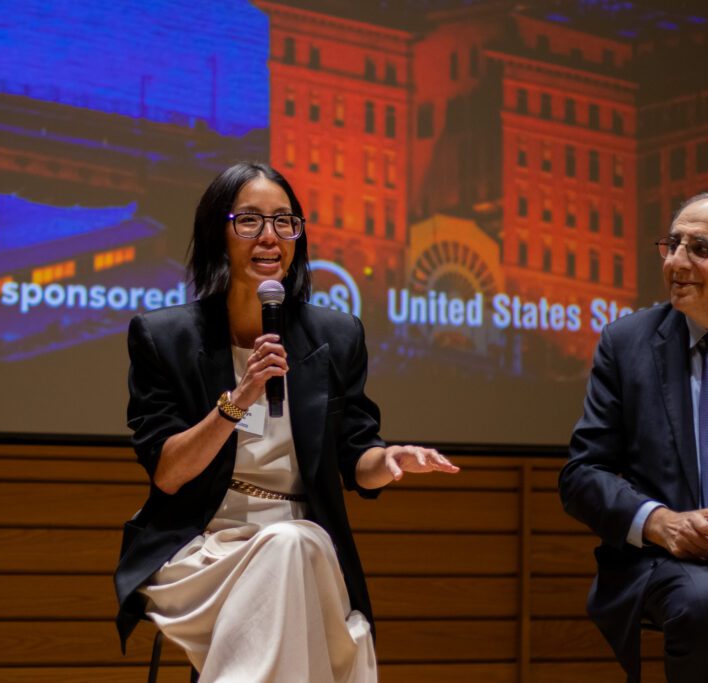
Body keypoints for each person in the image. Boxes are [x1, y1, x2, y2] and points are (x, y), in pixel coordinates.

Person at [114, 161, 459, 681]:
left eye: (284, 221)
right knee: (290, 551)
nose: (269, 236)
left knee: (292, 545)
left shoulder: (336, 336)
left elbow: (355, 458)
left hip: (300, 539)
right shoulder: (166, 338)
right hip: (200, 549)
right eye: (249, 221)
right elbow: (168, 473)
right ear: (218, 233)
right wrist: (240, 397)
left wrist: (388, 460)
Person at [560, 192, 708, 682]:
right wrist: (659, 522)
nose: (676, 262)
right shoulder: (627, 344)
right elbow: (583, 475)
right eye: (671, 245)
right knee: (705, 604)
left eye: (700, 249)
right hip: (675, 560)